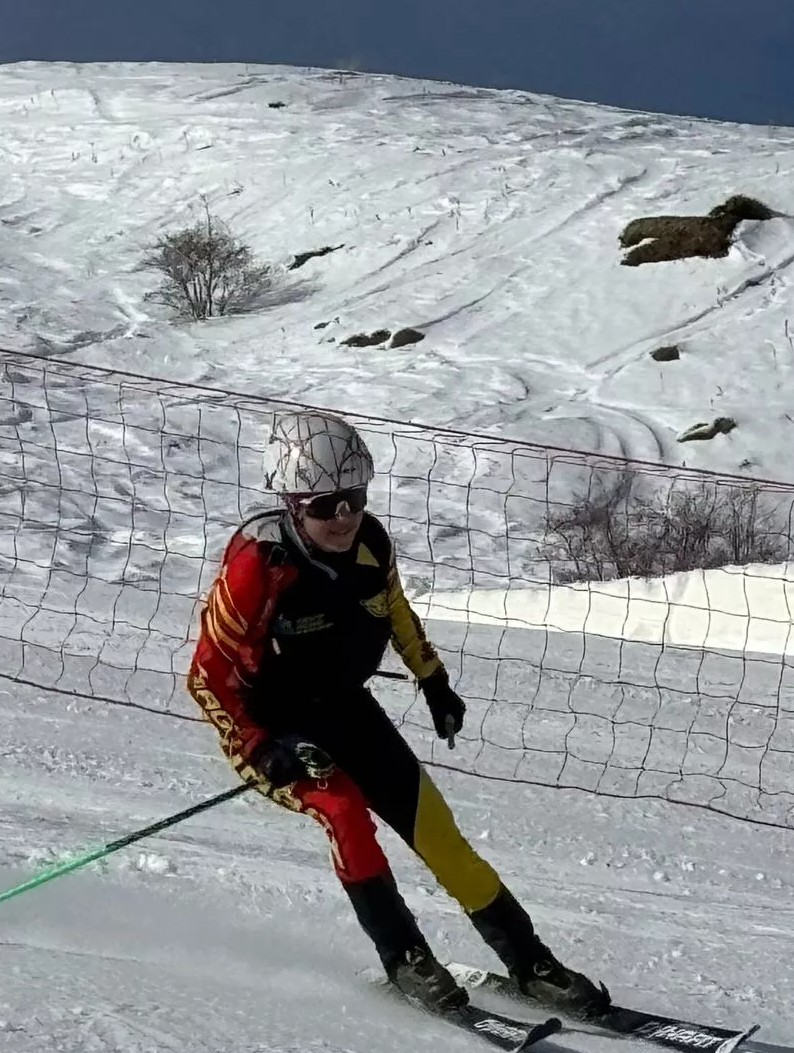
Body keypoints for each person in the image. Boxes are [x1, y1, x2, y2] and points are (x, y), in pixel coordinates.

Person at [187, 409, 611, 1018]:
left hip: (343, 706)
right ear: (292, 504)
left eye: (354, 498)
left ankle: (531, 961)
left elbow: (395, 610)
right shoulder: (259, 569)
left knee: (438, 833)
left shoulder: (370, 543)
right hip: (272, 722)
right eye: (326, 504)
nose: (344, 516)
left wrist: (434, 681)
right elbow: (205, 675)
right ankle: (405, 954)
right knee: (344, 812)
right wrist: (256, 745)